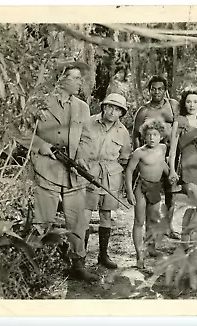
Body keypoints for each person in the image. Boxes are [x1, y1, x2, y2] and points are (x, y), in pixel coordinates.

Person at [16, 59, 98, 282]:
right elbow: (19, 131)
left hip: (74, 174)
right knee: (43, 221)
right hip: (46, 170)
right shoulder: (39, 103)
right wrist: (43, 147)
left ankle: (77, 264)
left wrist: (81, 155)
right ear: (61, 79)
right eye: (76, 78)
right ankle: (32, 267)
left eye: (80, 78)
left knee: (78, 221)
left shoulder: (82, 106)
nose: (80, 82)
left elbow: (88, 138)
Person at [79, 93, 131, 270]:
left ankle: (103, 255)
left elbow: (124, 157)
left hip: (111, 175)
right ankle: (81, 256)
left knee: (106, 214)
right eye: (109, 107)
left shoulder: (123, 132)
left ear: (121, 113)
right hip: (89, 172)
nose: (112, 111)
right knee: (85, 213)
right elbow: (77, 145)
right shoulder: (88, 123)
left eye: (117, 109)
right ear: (103, 107)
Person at [132, 75, 180, 239]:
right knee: (152, 191)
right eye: (153, 89)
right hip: (151, 155)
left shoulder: (173, 105)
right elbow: (136, 135)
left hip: (171, 152)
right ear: (149, 90)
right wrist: (140, 158)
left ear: (165, 90)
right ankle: (149, 231)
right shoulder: (144, 111)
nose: (157, 92)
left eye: (160, 89)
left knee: (171, 190)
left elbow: (179, 125)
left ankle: (168, 226)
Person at [168, 86, 197, 249]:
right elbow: (174, 149)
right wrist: (172, 170)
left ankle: (186, 240)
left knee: (196, 205)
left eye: (195, 101)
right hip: (186, 166)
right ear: (184, 103)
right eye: (188, 101)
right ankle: (188, 238)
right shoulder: (180, 121)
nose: (192, 105)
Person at [126, 118, 169, 269]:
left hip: (156, 187)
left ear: (161, 136)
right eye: (149, 134)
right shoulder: (139, 152)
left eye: (155, 134)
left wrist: (170, 173)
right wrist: (129, 192)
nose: (152, 138)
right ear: (144, 136)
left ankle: (151, 248)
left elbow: (162, 163)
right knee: (139, 221)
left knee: (153, 221)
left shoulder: (163, 148)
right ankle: (139, 255)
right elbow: (129, 170)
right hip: (141, 187)